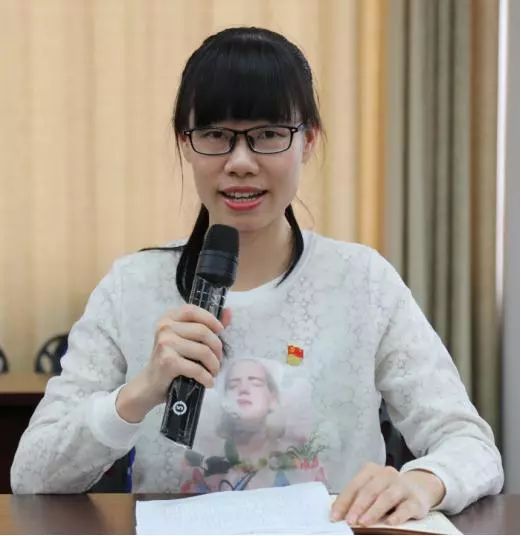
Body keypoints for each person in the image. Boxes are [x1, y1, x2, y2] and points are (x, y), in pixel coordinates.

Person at [11, 27, 503, 527]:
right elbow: (31, 474)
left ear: (308, 141)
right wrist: (138, 393)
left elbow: (470, 444)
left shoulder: (362, 281)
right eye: (215, 135)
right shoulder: (131, 287)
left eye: (268, 134)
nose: (240, 163)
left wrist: (422, 481)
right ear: (185, 143)